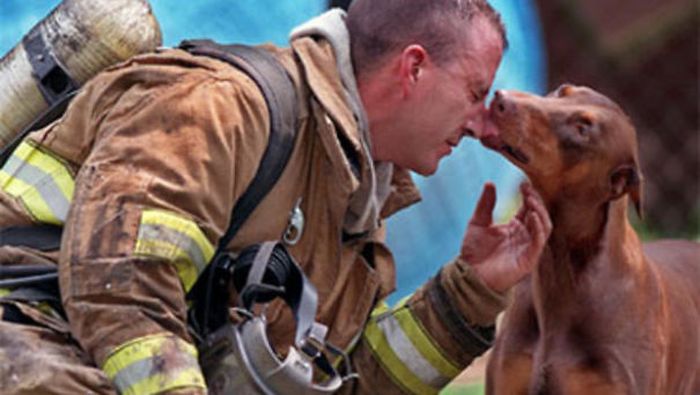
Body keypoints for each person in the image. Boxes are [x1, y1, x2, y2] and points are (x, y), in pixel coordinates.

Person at [0, 0, 551, 394]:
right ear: (413, 68)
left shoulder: (351, 194)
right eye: (477, 93)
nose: (483, 125)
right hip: (30, 336)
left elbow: (329, 380)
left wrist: (471, 292)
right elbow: (121, 286)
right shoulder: (221, 106)